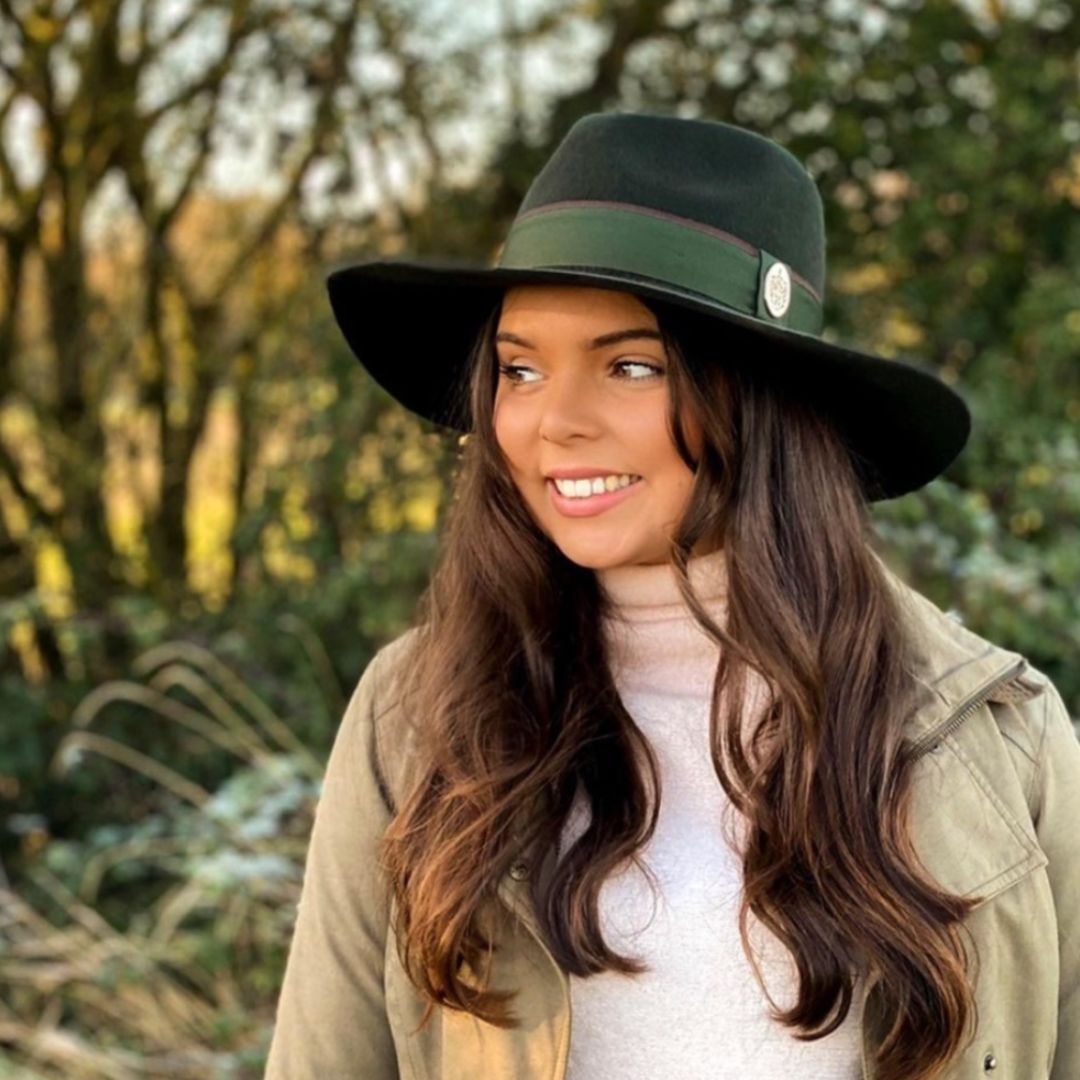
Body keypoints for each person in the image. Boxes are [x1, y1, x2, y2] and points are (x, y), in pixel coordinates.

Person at [264, 112, 1079, 1080]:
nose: (552, 422)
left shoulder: (996, 736)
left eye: (630, 366)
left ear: (757, 399)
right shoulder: (415, 722)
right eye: (519, 368)